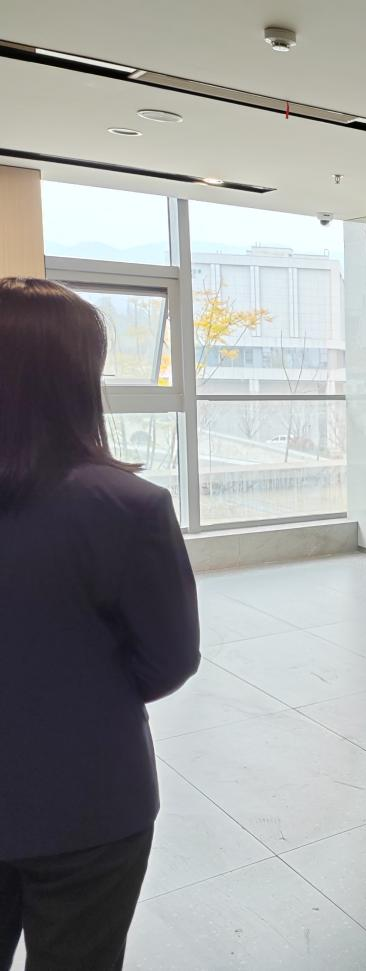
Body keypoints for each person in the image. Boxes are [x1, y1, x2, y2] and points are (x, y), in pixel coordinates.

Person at [0, 277, 200, 970]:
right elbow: (169, 659)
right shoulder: (130, 506)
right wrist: (83, 690)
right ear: (79, 378)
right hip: (89, 800)